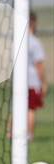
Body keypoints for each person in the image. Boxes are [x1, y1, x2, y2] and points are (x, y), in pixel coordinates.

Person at [28, 11, 48, 140]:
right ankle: (29, 135)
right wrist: (44, 83)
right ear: (33, 23)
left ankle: (11, 132)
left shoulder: (16, 41)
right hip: (32, 81)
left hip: (18, 82)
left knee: (17, 108)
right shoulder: (35, 42)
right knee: (30, 109)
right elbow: (39, 65)